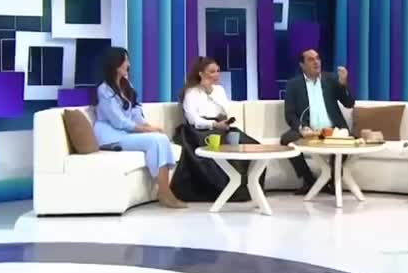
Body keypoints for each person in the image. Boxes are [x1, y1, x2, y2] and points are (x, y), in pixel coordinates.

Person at [93, 47, 186, 209]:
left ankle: (165, 191)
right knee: (156, 140)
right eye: (126, 60)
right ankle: (164, 192)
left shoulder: (126, 85)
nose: (129, 64)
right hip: (111, 136)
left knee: (161, 138)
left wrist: (148, 126)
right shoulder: (104, 90)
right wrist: (145, 130)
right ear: (116, 64)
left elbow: (135, 112)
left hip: (126, 133)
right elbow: (118, 121)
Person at [170, 56, 264, 202]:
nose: (216, 75)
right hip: (198, 131)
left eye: (218, 71)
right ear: (201, 74)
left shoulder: (219, 90)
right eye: (212, 72)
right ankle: (226, 191)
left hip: (221, 126)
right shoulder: (191, 92)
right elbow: (193, 120)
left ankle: (249, 189)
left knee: (251, 145)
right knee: (218, 146)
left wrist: (210, 92)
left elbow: (225, 110)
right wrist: (213, 124)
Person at [281, 49, 355, 195]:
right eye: (311, 59)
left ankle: (333, 180)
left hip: (333, 130)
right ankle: (309, 180)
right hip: (310, 131)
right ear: (302, 65)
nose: (316, 62)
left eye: (318, 58)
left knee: (347, 139)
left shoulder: (331, 80)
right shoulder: (293, 85)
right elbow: (289, 114)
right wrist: (301, 128)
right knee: (286, 140)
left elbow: (349, 103)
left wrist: (343, 84)